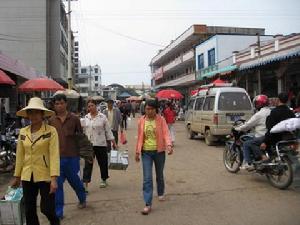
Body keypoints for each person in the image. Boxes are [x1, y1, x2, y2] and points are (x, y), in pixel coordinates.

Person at [11, 97, 60, 225]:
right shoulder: (23, 132)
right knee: (29, 210)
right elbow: (20, 156)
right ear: (27, 115)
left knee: (47, 209)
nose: (34, 115)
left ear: (42, 114)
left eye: (37, 112)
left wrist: (54, 179)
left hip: (45, 175)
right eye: (31, 112)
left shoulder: (51, 131)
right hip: (27, 175)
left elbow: (54, 155)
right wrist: (17, 176)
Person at [48, 94, 86, 219]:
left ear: (66, 104)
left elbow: (80, 136)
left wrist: (84, 152)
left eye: (62, 103)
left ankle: (82, 198)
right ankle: (59, 212)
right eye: (57, 104)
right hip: (56, 158)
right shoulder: (51, 120)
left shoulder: (74, 118)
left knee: (75, 182)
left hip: (72, 157)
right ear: (54, 105)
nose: (59, 106)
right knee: (57, 186)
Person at [135, 99, 174, 215]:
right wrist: (137, 152)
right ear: (145, 109)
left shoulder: (161, 120)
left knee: (159, 175)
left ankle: (160, 192)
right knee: (147, 178)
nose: (149, 111)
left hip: (159, 152)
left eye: (151, 109)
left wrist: (169, 145)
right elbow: (140, 137)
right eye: (147, 109)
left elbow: (166, 133)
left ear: (155, 109)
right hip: (146, 152)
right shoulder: (141, 120)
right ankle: (148, 204)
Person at [82, 99, 117, 191]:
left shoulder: (102, 117)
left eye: (92, 105)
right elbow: (83, 131)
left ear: (96, 106)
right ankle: (85, 184)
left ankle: (104, 179)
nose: (90, 108)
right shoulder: (86, 117)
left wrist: (114, 142)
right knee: (88, 164)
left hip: (101, 144)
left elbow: (108, 131)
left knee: (103, 163)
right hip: (89, 145)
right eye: (88, 106)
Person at [235, 95, 271, 170]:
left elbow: (248, 125)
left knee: (246, 143)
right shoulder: (270, 111)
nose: (256, 105)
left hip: (262, 135)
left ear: (259, 104)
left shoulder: (259, 114)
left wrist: (238, 128)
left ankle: (248, 163)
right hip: (270, 135)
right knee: (251, 136)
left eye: (256, 103)